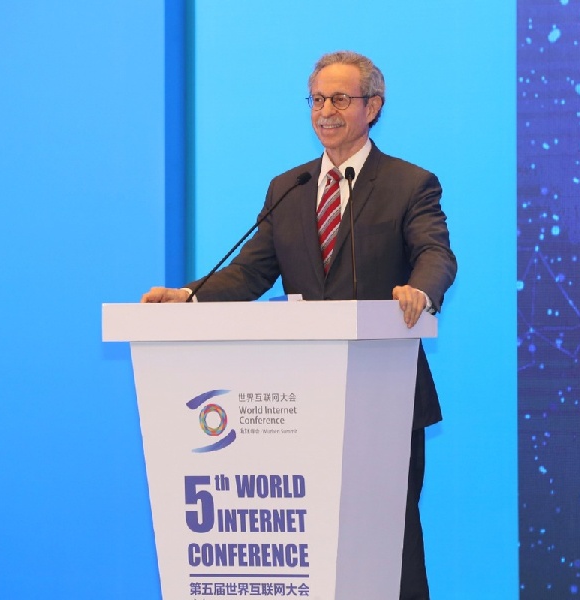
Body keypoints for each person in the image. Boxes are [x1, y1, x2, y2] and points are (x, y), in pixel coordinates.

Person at [142, 50, 456, 600]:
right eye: (317, 99)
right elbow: (250, 272)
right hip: (300, 404)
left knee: (392, 541)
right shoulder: (289, 187)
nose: (326, 111)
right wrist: (189, 296)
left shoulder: (410, 184)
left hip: (383, 394)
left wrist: (420, 291)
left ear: (373, 107)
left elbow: (435, 253)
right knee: (311, 542)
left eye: (340, 99)